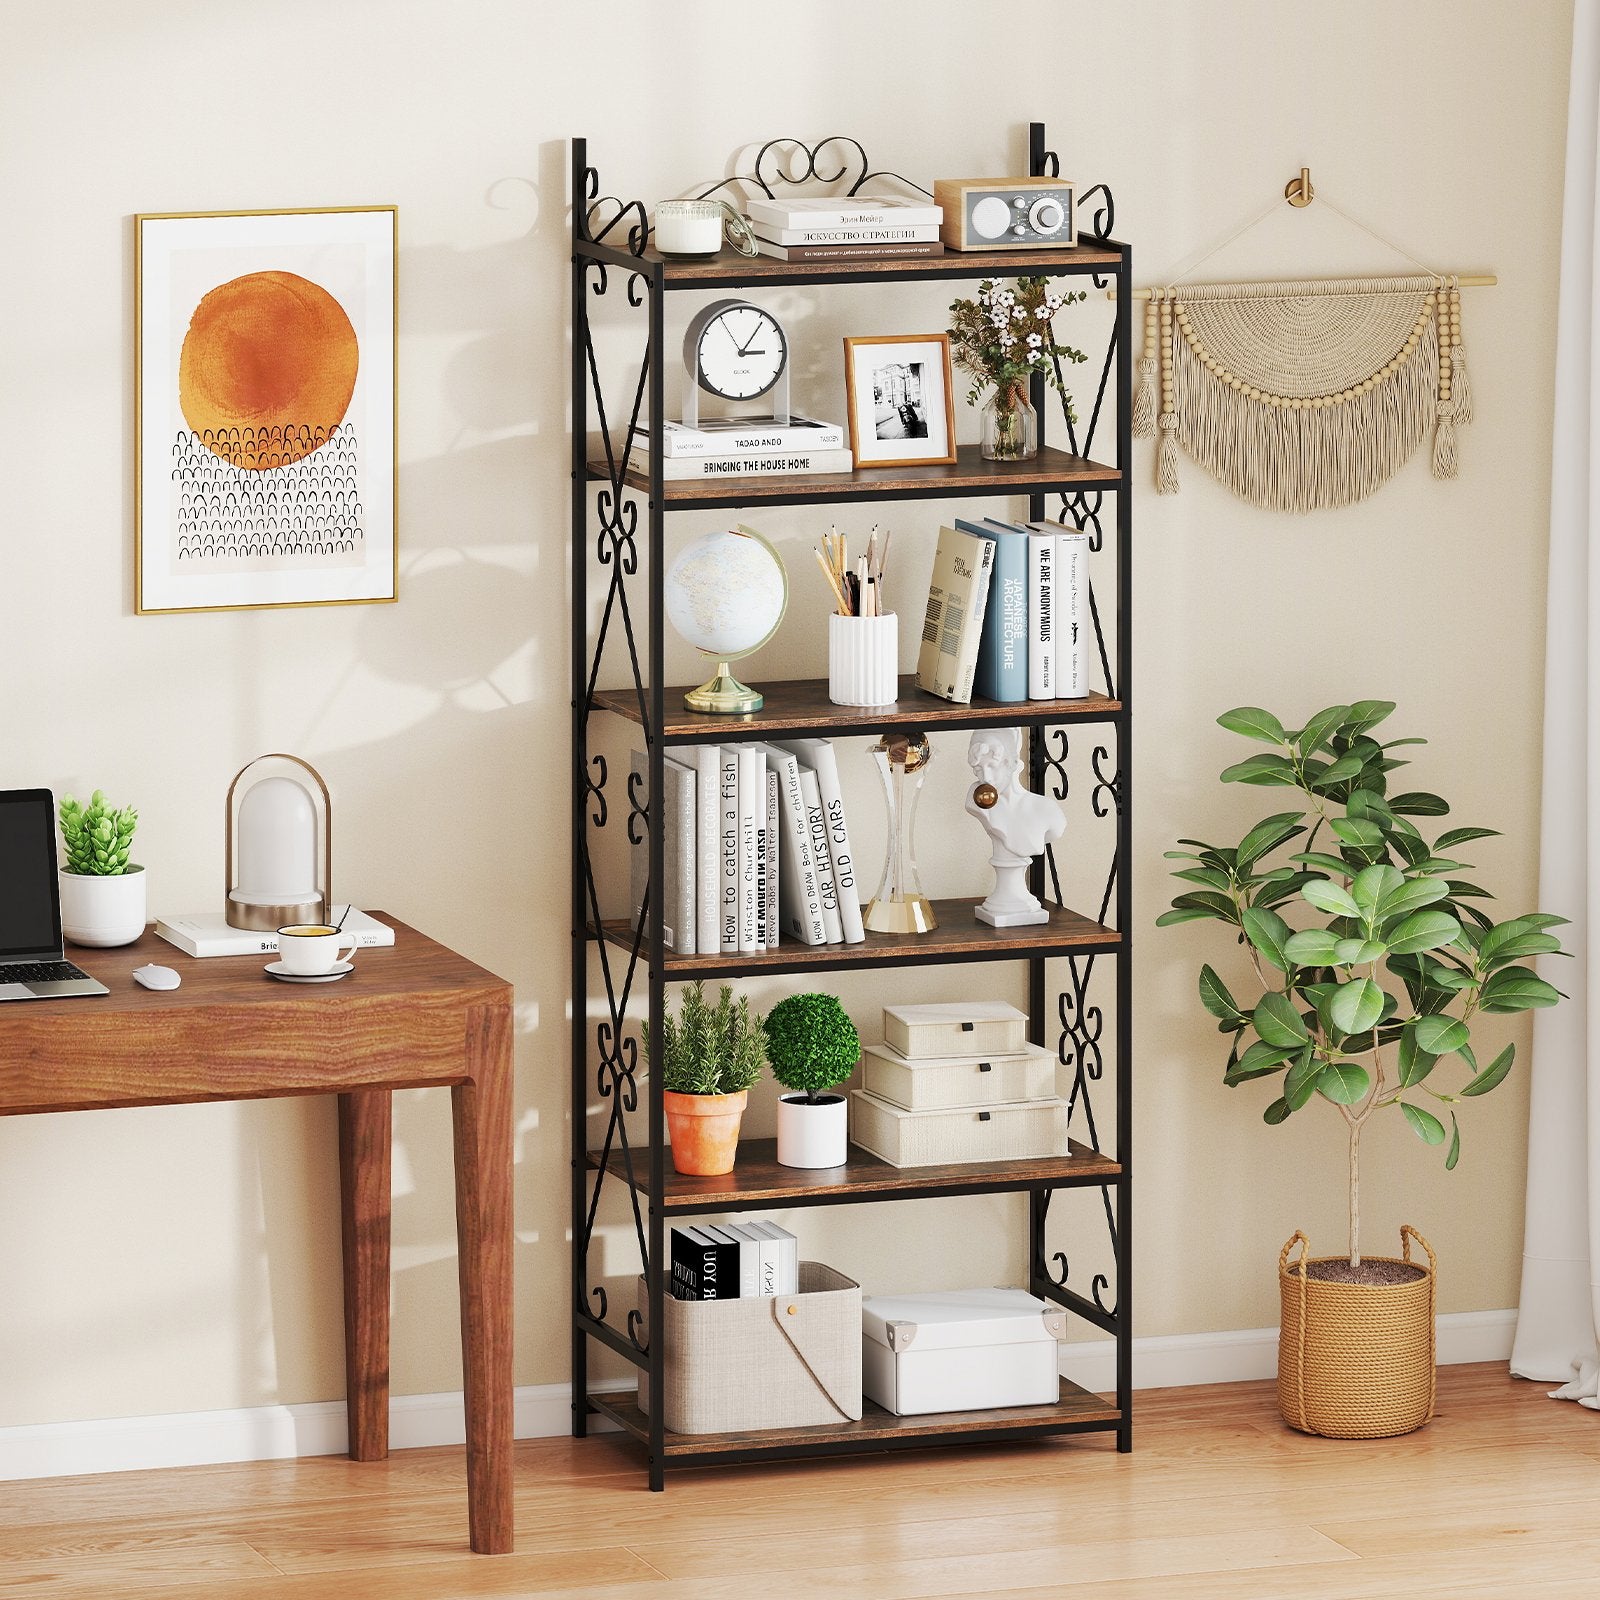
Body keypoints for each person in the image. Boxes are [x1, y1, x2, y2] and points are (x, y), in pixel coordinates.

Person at [965, 728, 1066, 925]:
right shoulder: (975, 799)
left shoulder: (1046, 809)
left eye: (992, 766)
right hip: (1000, 905)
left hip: (1022, 906)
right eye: (978, 770)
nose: (986, 778)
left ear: (1010, 764)